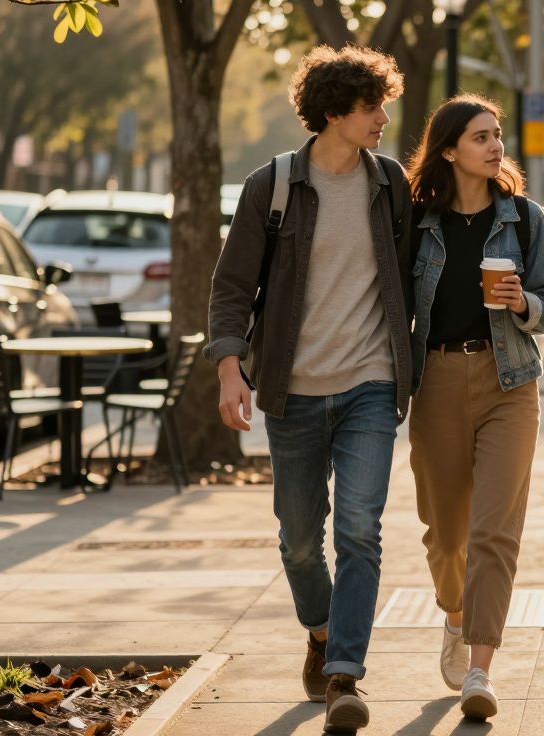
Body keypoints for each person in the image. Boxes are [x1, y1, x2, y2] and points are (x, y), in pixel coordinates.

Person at [204, 45, 412, 734]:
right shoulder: (275, 185)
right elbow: (233, 287)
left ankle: (344, 675)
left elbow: (412, 276)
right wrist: (230, 367)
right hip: (292, 392)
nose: (384, 117)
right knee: (299, 540)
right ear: (333, 113)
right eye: (371, 106)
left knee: (360, 530)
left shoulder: (389, 186)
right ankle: (321, 630)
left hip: (370, 386)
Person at [405, 93, 544, 722]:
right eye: (479, 136)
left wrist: (524, 304)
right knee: (446, 537)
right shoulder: (416, 222)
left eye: (497, 135)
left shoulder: (524, 218)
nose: (496, 146)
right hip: (437, 379)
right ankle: (455, 614)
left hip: (510, 381)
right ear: (448, 150)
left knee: (495, 531)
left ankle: (480, 668)